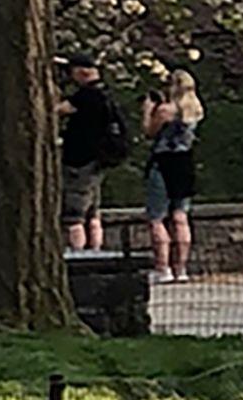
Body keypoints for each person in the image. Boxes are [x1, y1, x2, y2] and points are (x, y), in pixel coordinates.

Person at [59, 56, 128, 252]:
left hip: (80, 160)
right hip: (99, 159)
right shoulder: (106, 93)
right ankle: (96, 250)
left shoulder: (86, 96)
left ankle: (77, 252)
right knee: (93, 213)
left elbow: (58, 110)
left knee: (74, 215)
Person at [143, 71, 206, 283]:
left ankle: (163, 267)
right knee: (180, 216)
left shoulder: (165, 111)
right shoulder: (195, 111)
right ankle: (182, 268)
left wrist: (147, 111)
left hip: (164, 161)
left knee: (157, 217)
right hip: (185, 161)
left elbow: (149, 132)